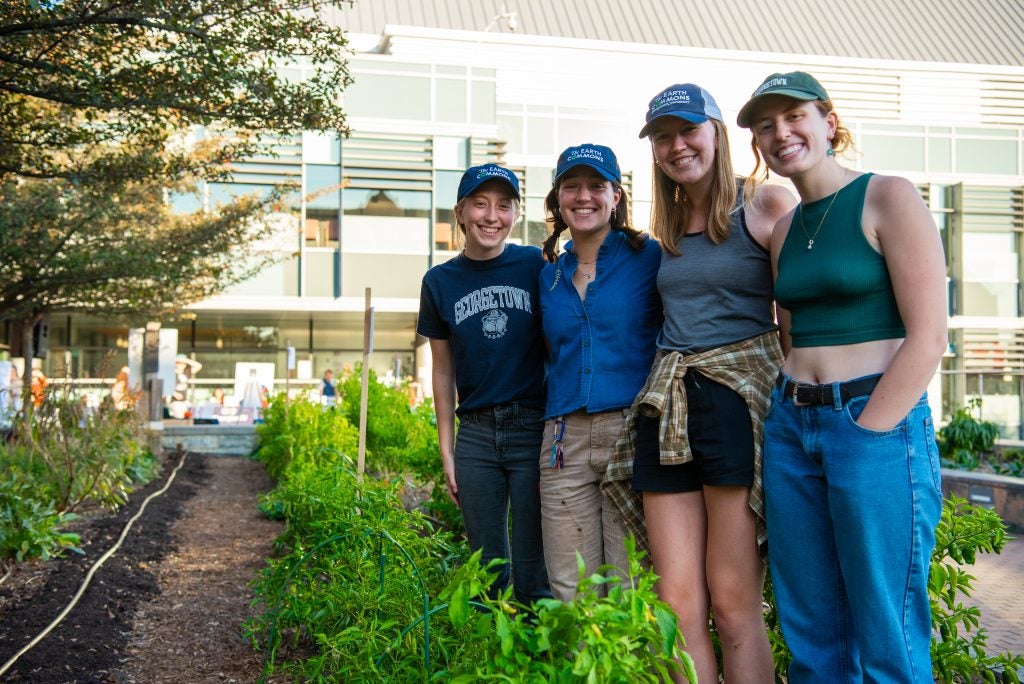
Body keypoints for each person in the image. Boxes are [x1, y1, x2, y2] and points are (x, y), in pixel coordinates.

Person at [736, 71, 947, 683]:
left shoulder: (888, 196)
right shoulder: (782, 229)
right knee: (812, 634)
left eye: (794, 116)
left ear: (828, 122)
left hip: (870, 423)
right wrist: (790, 413)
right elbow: (789, 335)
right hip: (791, 426)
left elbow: (929, 335)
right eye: (766, 126)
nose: (781, 133)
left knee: (888, 634)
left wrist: (866, 431)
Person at [606, 84, 797, 682]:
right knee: (676, 604)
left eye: (688, 130)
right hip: (668, 406)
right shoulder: (659, 231)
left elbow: (791, 329)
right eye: (663, 137)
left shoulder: (764, 204)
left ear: (716, 132)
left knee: (734, 604)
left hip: (734, 403)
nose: (676, 146)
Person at [417, 163, 551, 604]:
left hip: (533, 427)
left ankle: (536, 663)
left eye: (504, 205)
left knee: (535, 566)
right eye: (480, 204)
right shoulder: (439, 282)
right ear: (460, 211)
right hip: (474, 433)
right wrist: (447, 449)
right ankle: (491, 659)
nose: (492, 216)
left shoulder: (535, 263)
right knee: (487, 566)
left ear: (515, 213)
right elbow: (442, 370)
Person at [538, 144, 662, 601]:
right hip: (561, 442)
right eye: (571, 186)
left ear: (616, 195)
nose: (583, 196)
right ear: (557, 199)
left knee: (632, 584)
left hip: (631, 432)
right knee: (572, 588)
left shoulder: (650, 257)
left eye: (596, 185)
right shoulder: (548, 272)